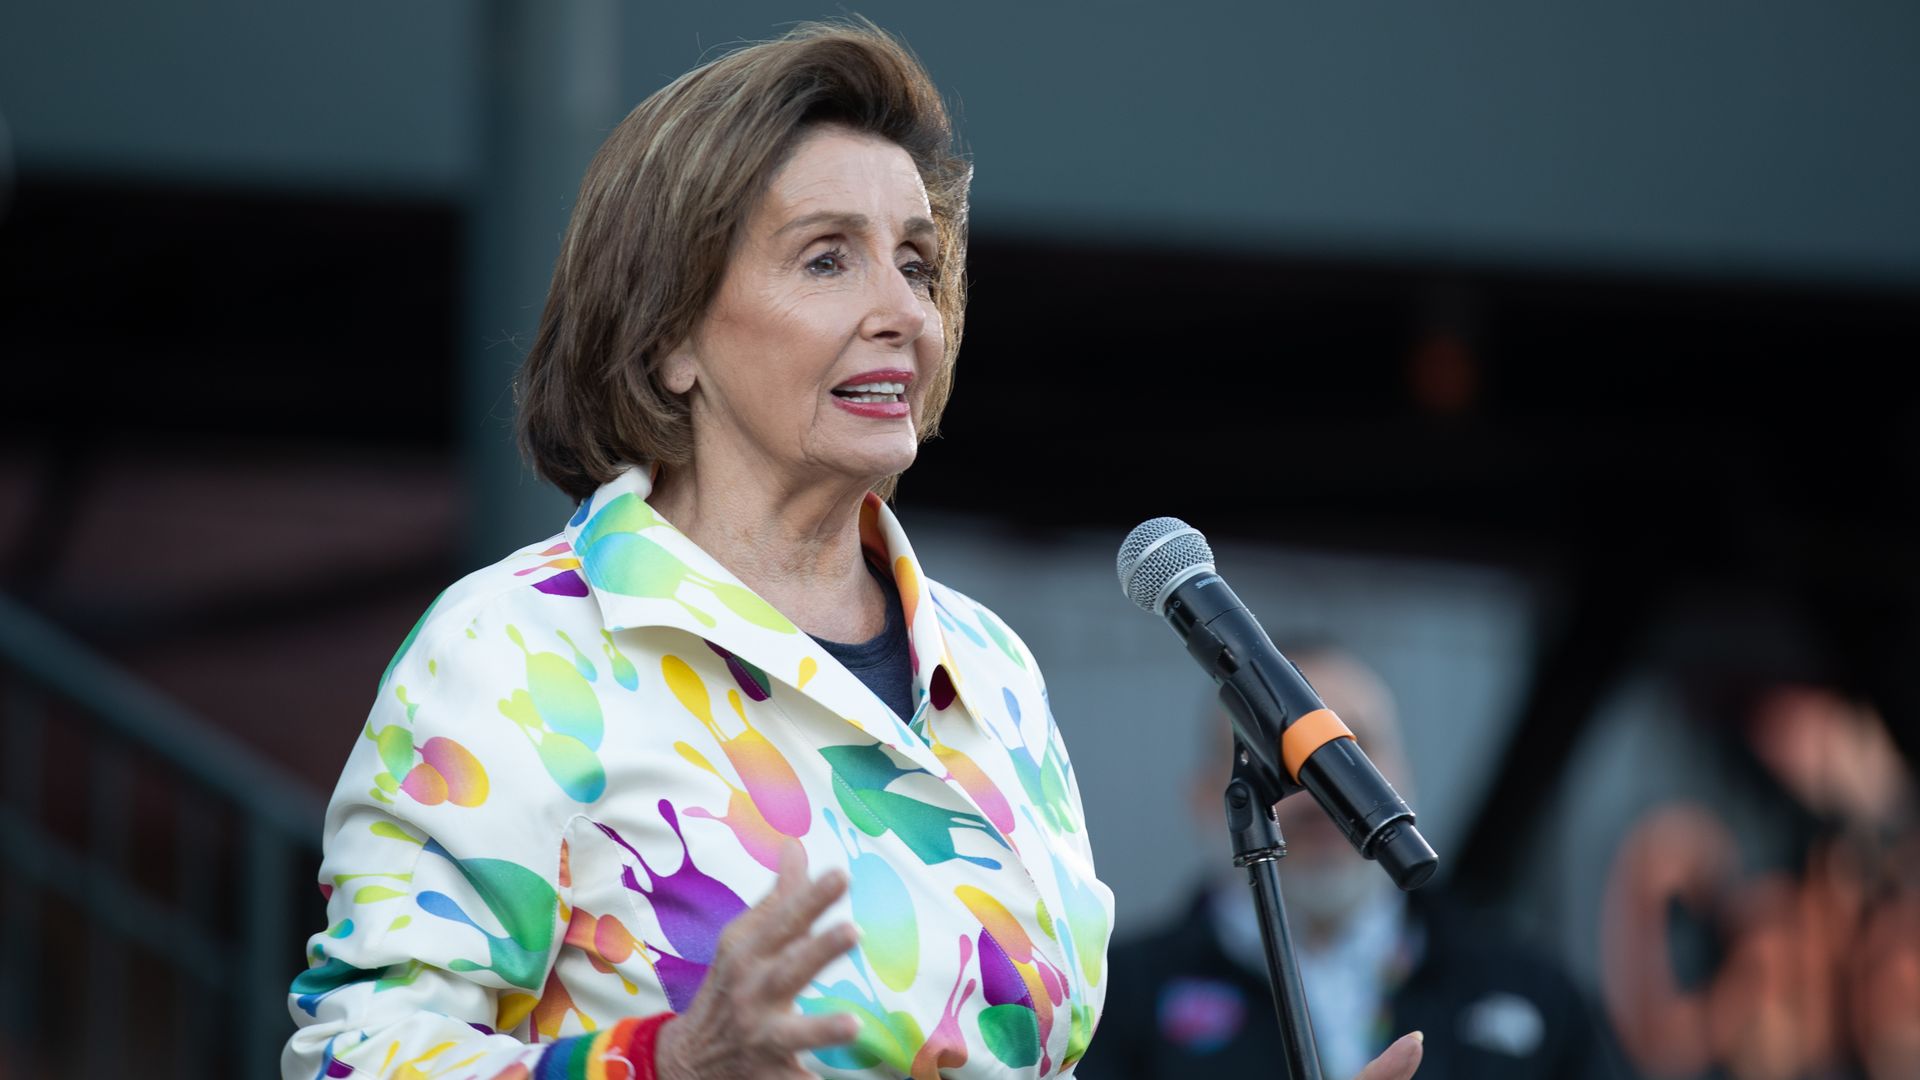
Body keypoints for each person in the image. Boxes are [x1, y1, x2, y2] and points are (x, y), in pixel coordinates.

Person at [282, 21, 1422, 1080]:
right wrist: (664, 1063)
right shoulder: (517, 650)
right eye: (828, 259)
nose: (906, 313)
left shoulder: (993, 673)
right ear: (669, 332)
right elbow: (351, 1055)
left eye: (917, 265)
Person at [1076, 646, 1624, 1080]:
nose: (1322, 796)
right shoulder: (1112, 1000)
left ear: (1401, 776)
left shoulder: (1529, 987)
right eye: (1282, 759)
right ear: (1204, 795)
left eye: (1349, 753)